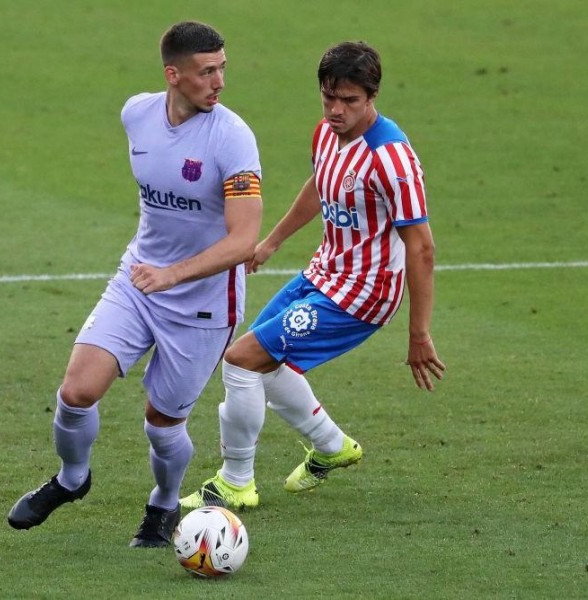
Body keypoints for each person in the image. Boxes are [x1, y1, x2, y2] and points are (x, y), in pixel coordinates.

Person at [7, 21, 263, 548]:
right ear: (173, 74)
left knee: (162, 425)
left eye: (222, 69)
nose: (219, 82)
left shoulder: (232, 136)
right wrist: (156, 270)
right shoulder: (137, 114)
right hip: (138, 279)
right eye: (206, 71)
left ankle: (163, 505)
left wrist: (173, 274)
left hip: (203, 304)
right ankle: (72, 479)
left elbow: (244, 241)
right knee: (76, 392)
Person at [181, 41, 445, 510]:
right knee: (262, 359)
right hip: (324, 273)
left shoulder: (392, 159)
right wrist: (272, 242)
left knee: (243, 360)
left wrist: (419, 333)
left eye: (350, 101)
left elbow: (421, 248)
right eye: (329, 98)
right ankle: (331, 446)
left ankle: (236, 482)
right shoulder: (325, 133)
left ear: (372, 97)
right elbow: (320, 186)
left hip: (364, 293)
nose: (337, 110)